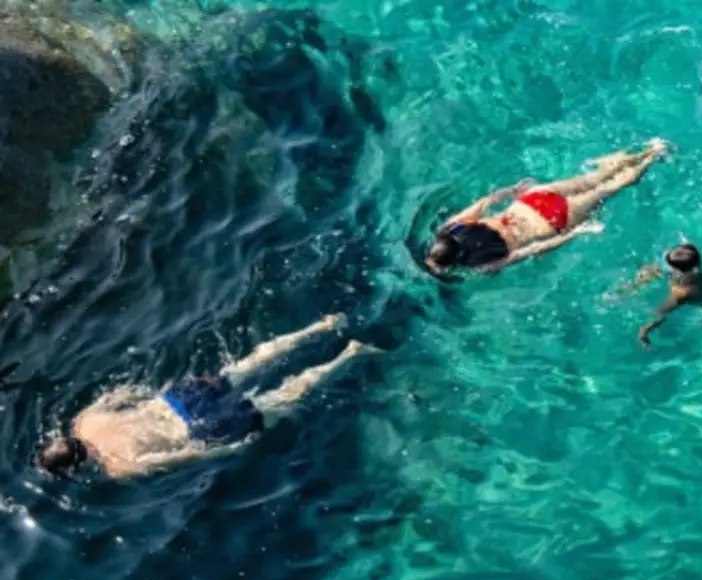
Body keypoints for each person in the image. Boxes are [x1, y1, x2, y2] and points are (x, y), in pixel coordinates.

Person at [37, 314, 377, 479]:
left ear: (77, 466)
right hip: (177, 398)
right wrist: (148, 397)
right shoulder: (84, 421)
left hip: (198, 426)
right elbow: (121, 392)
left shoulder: (117, 467)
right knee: (250, 363)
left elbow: (184, 457)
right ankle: (318, 327)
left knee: (283, 397)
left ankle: (348, 355)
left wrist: (229, 448)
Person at [425, 139, 670, 275]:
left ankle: (652, 158)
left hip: (551, 220)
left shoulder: (480, 264)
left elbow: (536, 248)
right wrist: (513, 190)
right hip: (532, 199)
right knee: (594, 178)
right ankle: (650, 147)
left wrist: (576, 233)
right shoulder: (451, 227)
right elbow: (483, 203)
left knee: (607, 189)